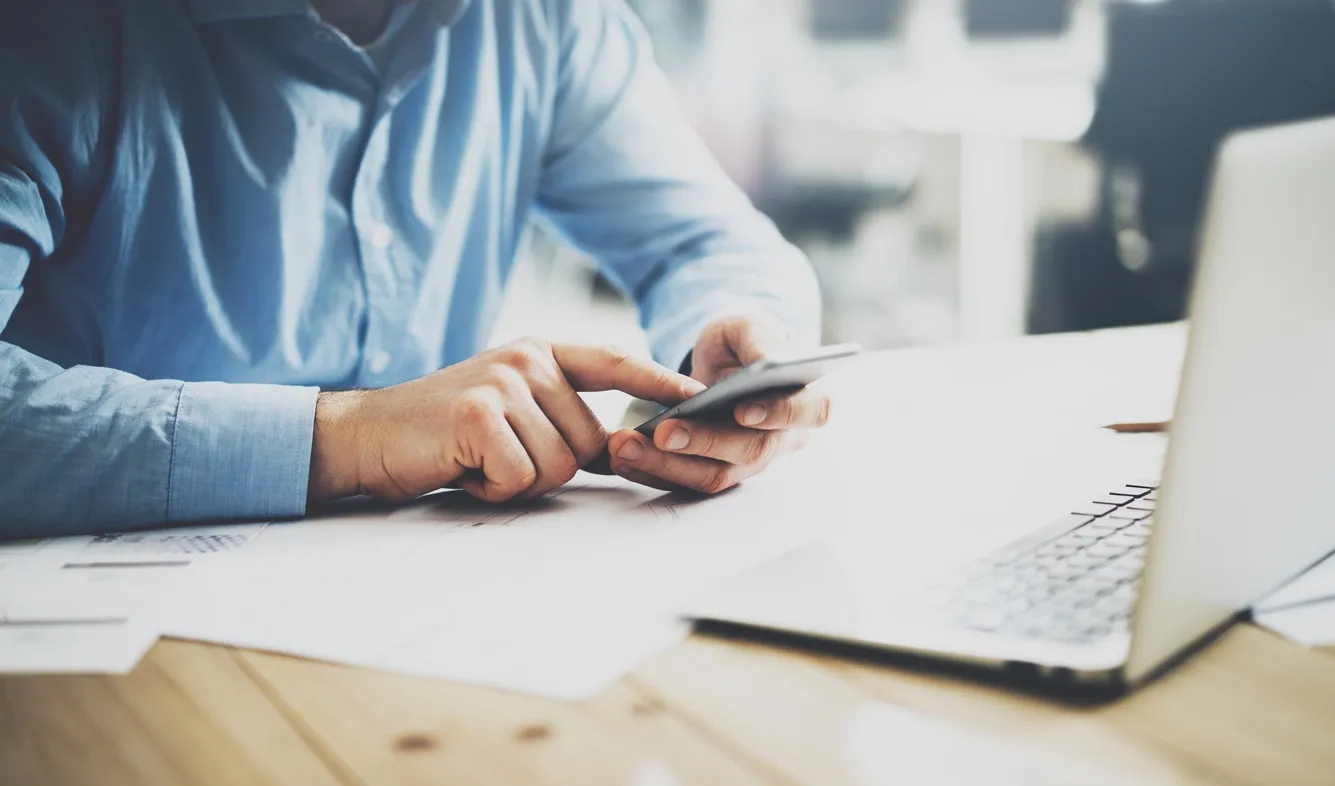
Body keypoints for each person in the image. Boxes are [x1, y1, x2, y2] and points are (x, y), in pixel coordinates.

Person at [0, 0, 829, 539]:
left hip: (420, 601)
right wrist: (351, 437)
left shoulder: (545, 22)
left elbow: (707, 244)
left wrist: (735, 352)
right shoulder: (49, 34)